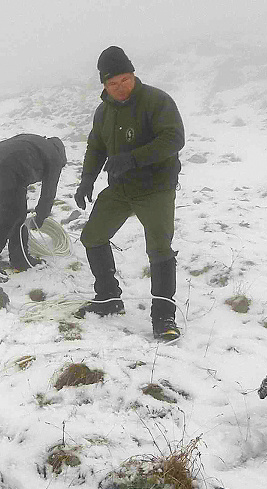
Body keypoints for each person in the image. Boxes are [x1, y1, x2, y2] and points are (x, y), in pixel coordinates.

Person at [74, 46, 184, 341]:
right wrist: (87, 179)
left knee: (159, 249)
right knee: (92, 236)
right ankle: (108, 298)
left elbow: (174, 138)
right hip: (120, 188)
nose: (120, 88)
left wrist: (133, 158)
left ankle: (164, 317)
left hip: (156, 188)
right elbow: (96, 146)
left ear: (133, 75)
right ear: (104, 85)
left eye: (124, 80)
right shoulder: (104, 111)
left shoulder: (156, 101)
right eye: (112, 84)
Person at [0, 134, 67, 282]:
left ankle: (19, 259)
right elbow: (48, 193)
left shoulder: (36, 143)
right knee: (12, 213)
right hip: (12, 163)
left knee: (15, 213)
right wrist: (40, 217)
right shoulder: (54, 157)